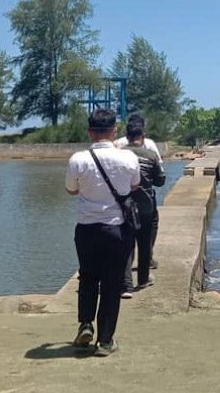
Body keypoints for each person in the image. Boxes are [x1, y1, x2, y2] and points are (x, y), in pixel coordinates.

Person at [65, 108, 140, 356]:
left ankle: (85, 323)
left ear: (89, 132)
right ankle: (105, 341)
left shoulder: (77, 159)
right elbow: (134, 185)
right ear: (114, 131)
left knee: (87, 277)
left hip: (86, 229)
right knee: (111, 284)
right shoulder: (128, 158)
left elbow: (71, 190)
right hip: (116, 229)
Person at [121, 121, 166, 297]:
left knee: (126, 243)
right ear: (143, 136)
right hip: (146, 205)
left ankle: (126, 284)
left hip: (124, 205)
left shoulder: (118, 155)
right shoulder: (151, 155)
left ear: (127, 137)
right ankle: (143, 279)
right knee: (145, 242)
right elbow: (161, 180)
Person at [114, 113, 163, 269]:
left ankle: (126, 274)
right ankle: (146, 264)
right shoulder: (149, 146)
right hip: (146, 197)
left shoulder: (118, 145)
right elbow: (160, 174)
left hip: (123, 197)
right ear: (143, 132)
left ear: (126, 133)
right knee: (149, 227)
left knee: (127, 232)